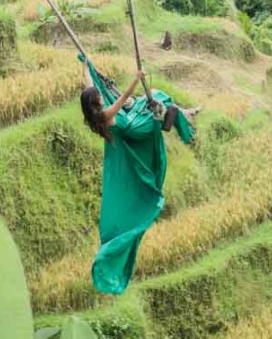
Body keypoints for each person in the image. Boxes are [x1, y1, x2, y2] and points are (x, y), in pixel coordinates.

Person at [78, 57, 199, 294]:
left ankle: (176, 115)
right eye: (100, 97)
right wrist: (136, 79)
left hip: (129, 124)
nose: (103, 96)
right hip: (134, 130)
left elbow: (88, 83)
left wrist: (86, 66)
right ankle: (171, 117)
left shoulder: (92, 111)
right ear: (96, 103)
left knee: (155, 97)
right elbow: (121, 99)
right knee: (155, 98)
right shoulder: (103, 116)